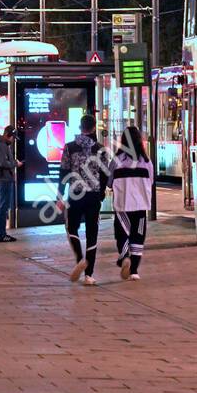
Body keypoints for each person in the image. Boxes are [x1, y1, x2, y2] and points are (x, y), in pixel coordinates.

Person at [60, 115, 107, 284]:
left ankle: (80, 258)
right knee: (92, 233)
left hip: (75, 194)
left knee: (71, 227)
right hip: (93, 196)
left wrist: (60, 195)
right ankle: (89, 275)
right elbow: (104, 175)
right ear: (94, 128)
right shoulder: (100, 149)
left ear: (80, 128)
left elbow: (63, 172)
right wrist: (100, 195)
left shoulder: (69, 148)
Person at [108, 125, 154, 284]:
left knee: (122, 234)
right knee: (138, 236)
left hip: (122, 205)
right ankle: (134, 270)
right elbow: (151, 182)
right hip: (141, 205)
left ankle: (123, 257)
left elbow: (109, 182)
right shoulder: (146, 161)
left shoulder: (116, 160)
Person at [0, 125, 20, 242]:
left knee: (2, 207)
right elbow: (3, 163)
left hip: (2, 179)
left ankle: (0, 233)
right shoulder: (2, 145)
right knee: (3, 207)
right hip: (3, 179)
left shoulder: (1, 144)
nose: (13, 140)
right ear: (8, 135)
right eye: (13, 138)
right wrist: (15, 164)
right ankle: (1, 234)